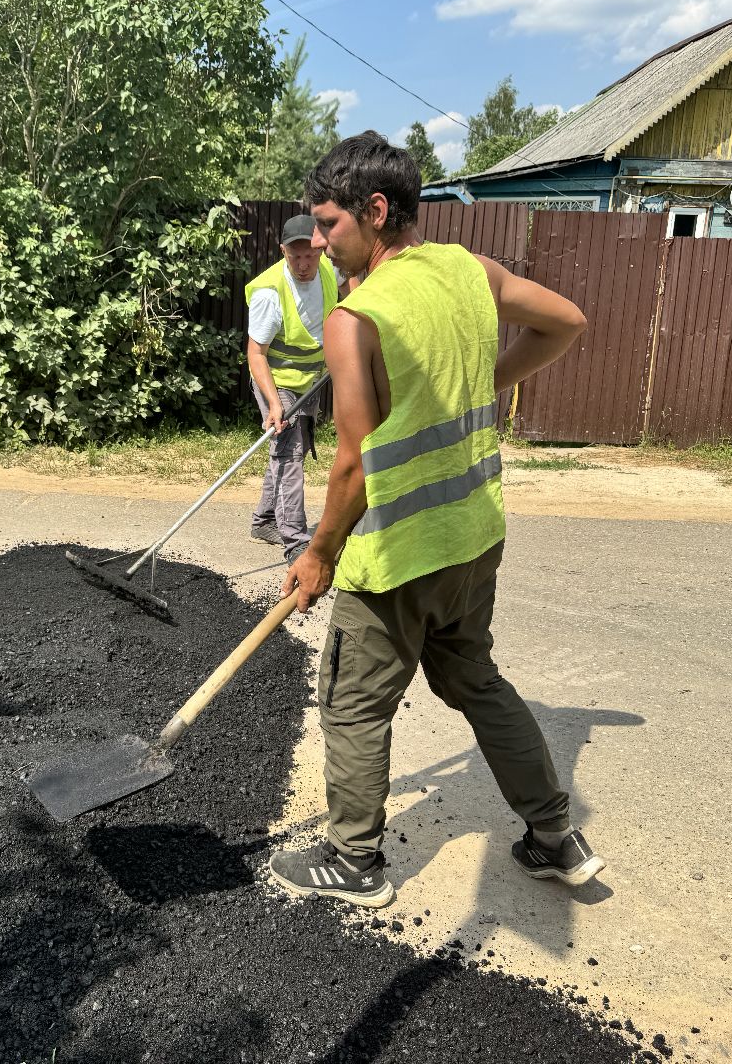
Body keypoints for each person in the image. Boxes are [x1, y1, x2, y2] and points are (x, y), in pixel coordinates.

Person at [269, 133, 597, 909]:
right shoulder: (467, 270)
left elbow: (351, 464)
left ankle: (353, 862)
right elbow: (567, 322)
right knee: (474, 678)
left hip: (398, 558)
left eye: (328, 224)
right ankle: (556, 837)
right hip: (473, 538)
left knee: (352, 701)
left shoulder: (358, 318)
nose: (317, 241)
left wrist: (318, 556)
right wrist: (489, 379)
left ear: (374, 212)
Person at [244, 214, 339, 566]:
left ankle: (265, 521)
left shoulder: (329, 269)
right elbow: (256, 354)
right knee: (291, 451)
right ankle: (296, 541)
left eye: (310, 256)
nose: (303, 265)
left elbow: (355, 285)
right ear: (282, 250)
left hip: (311, 380)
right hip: (276, 381)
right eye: (294, 256)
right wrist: (272, 403)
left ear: (320, 249)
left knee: (286, 446)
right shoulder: (270, 293)